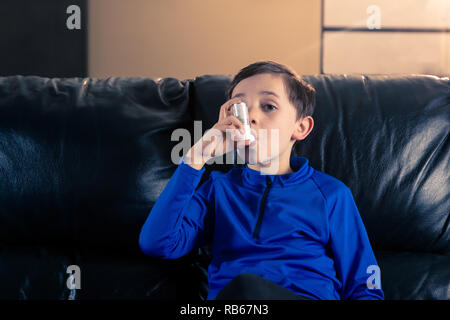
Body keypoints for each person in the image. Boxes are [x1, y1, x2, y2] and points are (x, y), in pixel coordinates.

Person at [139, 60, 384, 300]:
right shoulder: (218, 188)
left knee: (247, 288)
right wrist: (196, 158)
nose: (251, 117)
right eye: (240, 109)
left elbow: (367, 285)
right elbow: (158, 243)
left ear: (300, 127)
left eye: (268, 106)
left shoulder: (331, 195)